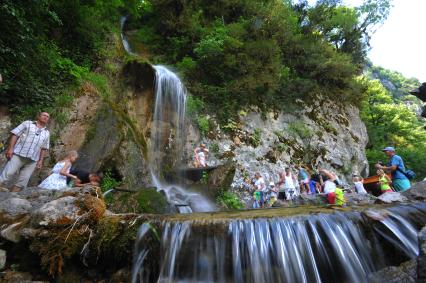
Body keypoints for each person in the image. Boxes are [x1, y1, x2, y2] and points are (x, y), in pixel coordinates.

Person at [0, 112, 50, 192]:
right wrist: (10, 149)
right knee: (7, 174)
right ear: (38, 116)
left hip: (33, 160)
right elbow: (15, 135)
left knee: (22, 182)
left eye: (47, 117)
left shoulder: (46, 133)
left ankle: (11, 199)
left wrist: (40, 161)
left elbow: (44, 148)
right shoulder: (28, 124)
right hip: (19, 154)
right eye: (44, 115)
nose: (46, 117)